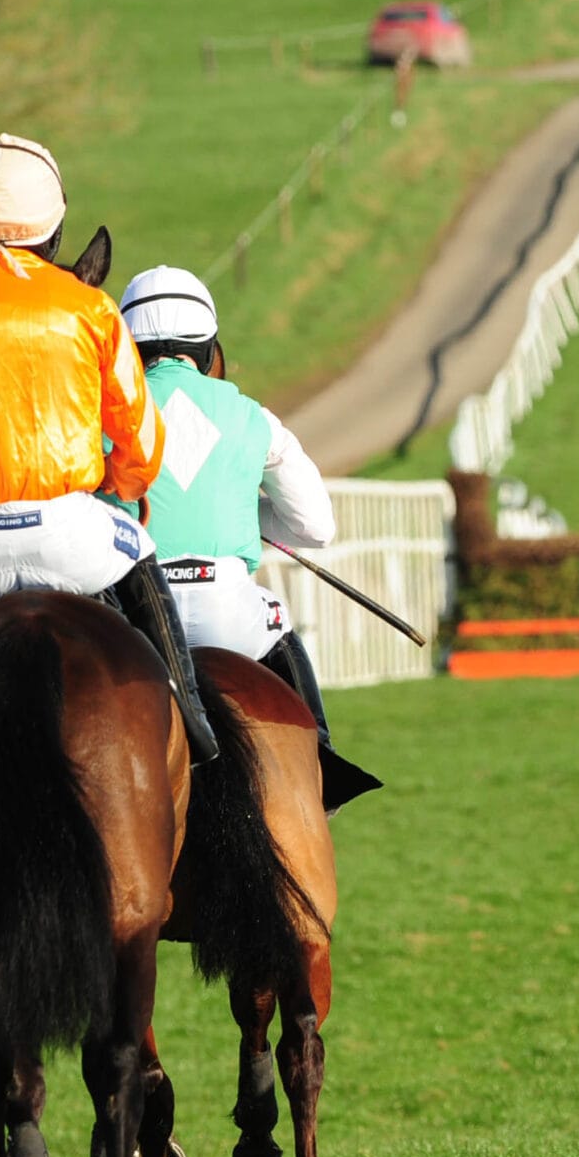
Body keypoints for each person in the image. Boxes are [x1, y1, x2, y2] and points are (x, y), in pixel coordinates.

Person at [0, 134, 218, 761]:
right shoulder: (93, 309)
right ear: (53, 234)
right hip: (71, 538)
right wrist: (119, 485)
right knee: (143, 561)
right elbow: (140, 443)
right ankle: (193, 723)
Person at [114, 265, 352, 782]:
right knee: (278, 620)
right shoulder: (251, 415)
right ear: (207, 351)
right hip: (230, 616)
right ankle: (323, 767)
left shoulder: (101, 418)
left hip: (136, 616)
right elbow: (314, 527)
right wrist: (252, 511)